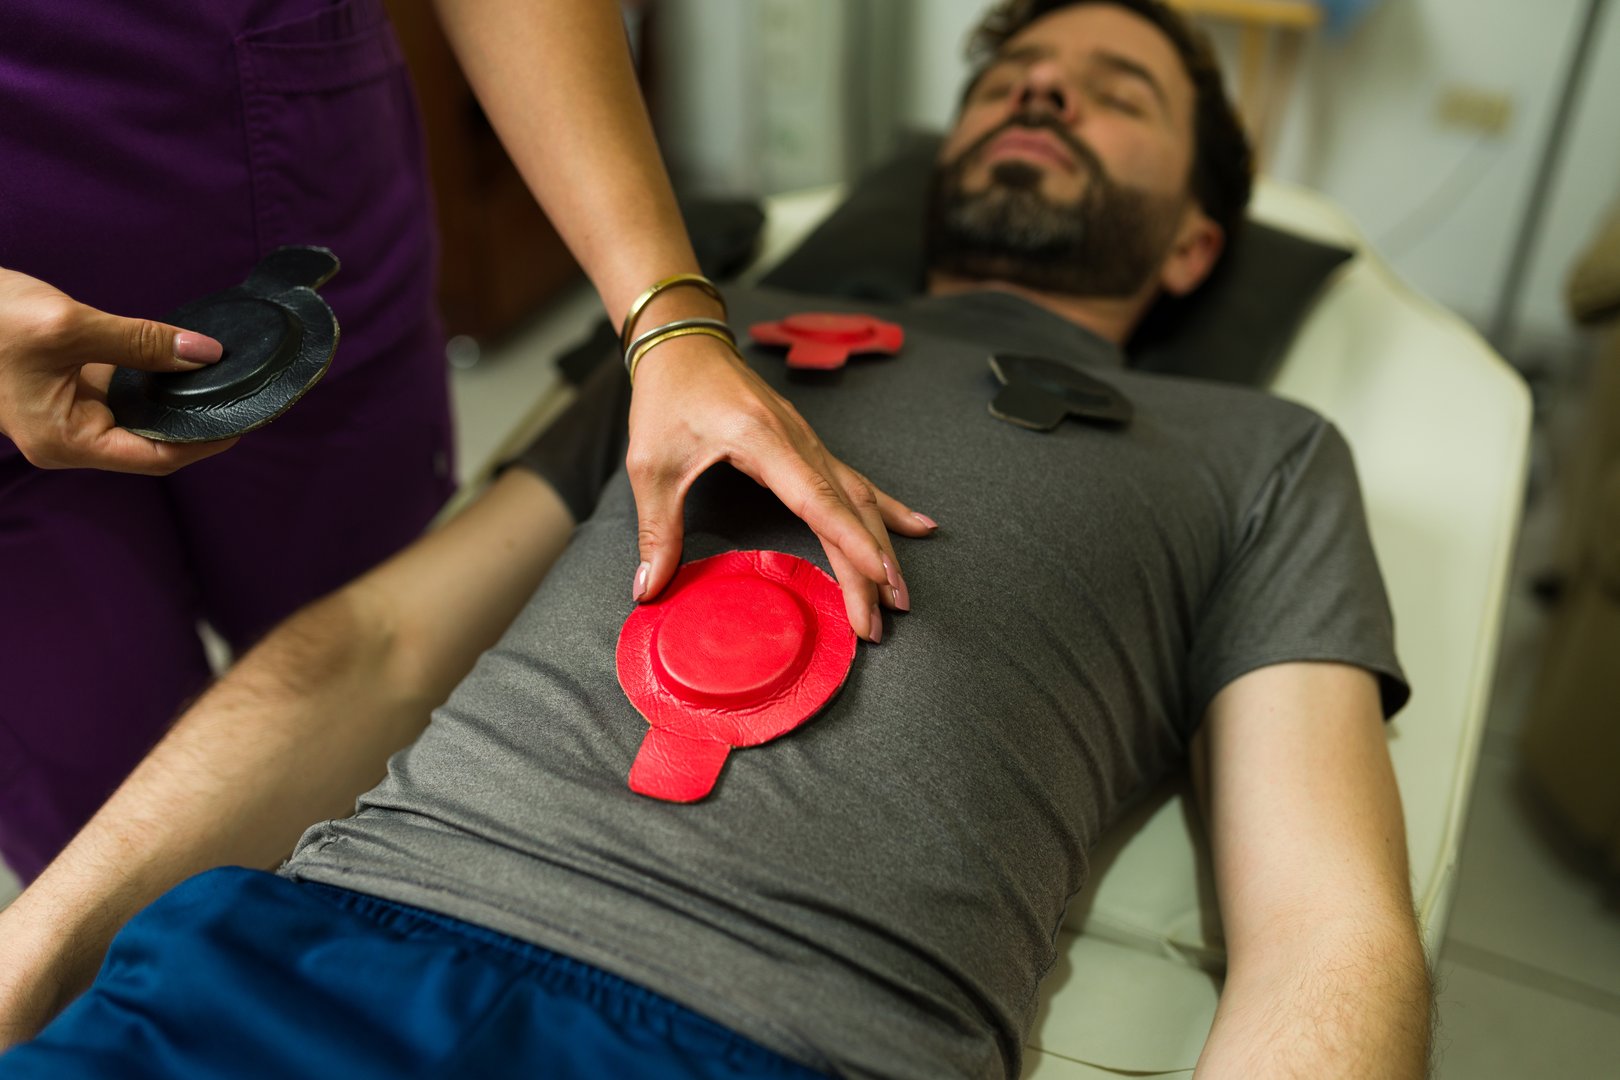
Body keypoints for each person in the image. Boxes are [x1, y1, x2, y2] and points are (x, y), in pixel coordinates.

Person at [0, 1, 1434, 1077]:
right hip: (300, 965)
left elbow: (1325, 927)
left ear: (1194, 246)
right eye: (1007, 78)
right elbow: (370, 647)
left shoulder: (1257, 450)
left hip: (787, 1038)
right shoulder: (697, 348)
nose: (1042, 90)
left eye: (1113, 92)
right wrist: (25, 966)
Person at [0, 0, 914, 883]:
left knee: (398, 709)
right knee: (105, 829)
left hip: (289, 192)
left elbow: (389, 652)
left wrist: (666, 316)